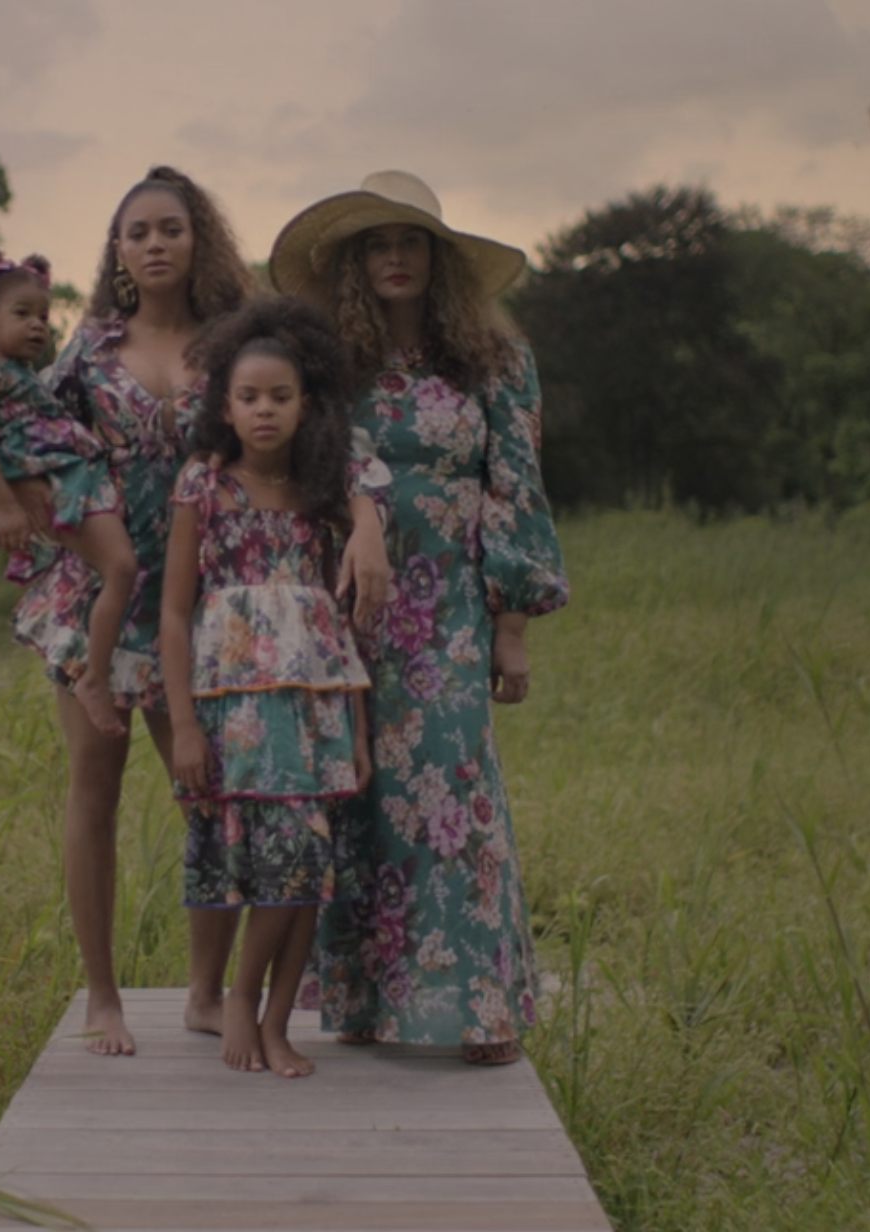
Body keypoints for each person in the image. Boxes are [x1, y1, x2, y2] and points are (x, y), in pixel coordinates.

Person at [9, 167, 391, 1055]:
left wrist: (366, 515)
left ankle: (204, 992)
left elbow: (334, 435)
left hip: (213, 606)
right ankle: (102, 994)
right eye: (136, 230)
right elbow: (25, 436)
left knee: (213, 795)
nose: (154, 244)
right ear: (117, 248)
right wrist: (20, 508)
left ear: (197, 237)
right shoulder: (87, 353)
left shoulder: (234, 344)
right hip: (105, 595)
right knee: (93, 790)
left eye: (170, 228)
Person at [270, 170, 569, 1065]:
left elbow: (517, 487)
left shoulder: (496, 362)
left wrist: (512, 624)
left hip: (450, 606)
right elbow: (303, 467)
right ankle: (365, 1000)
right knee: (356, 792)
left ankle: (479, 1007)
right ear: (355, 265)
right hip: (348, 602)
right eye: (376, 245)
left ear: (437, 260)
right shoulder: (329, 364)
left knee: (452, 789)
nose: (394, 258)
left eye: (409, 242)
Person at [160, 299, 371, 1078]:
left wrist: (353, 724)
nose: (264, 410)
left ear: (304, 404)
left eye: (280, 396)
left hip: (311, 712)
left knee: (308, 867)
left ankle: (275, 1018)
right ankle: (239, 1002)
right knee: (262, 863)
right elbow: (175, 615)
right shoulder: (203, 487)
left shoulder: (320, 494)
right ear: (225, 404)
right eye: (249, 396)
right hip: (234, 715)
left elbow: (331, 626)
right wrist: (182, 725)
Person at [0, 248, 136, 738]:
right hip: (55, 487)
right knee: (121, 568)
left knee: (114, 571)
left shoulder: (23, 374)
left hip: (75, 478)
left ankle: (90, 662)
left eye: (44, 317)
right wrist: (3, 507)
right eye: (22, 314)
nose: (37, 326)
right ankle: (93, 677)